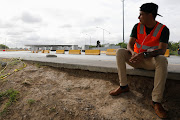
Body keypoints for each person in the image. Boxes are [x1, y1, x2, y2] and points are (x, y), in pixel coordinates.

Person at [109, 2, 170, 119]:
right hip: (135, 59)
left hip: (149, 61)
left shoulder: (163, 29)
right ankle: (123, 86)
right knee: (120, 52)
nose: (139, 17)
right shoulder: (137, 26)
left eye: (141, 14)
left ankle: (156, 101)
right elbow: (129, 44)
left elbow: (162, 50)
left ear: (150, 15)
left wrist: (145, 55)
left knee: (162, 59)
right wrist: (133, 53)